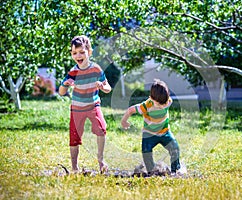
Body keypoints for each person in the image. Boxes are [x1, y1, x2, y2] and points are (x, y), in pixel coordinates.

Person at [58, 35, 111, 173]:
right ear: (71, 54)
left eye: (82, 52)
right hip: (77, 108)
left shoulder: (96, 69)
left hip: (93, 105)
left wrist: (101, 86)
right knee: (74, 137)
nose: (78, 55)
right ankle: (74, 167)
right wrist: (65, 84)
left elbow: (108, 88)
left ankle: (101, 161)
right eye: (75, 53)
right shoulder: (73, 72)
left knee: (101, 128)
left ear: (90, 52)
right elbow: (61, 92)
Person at [121, 79, 181, 175]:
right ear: (151, 99)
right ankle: (151, 171)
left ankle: (176, 170)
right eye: (159, 104)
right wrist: (124, 121)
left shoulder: (168, 101)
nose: (162, 106)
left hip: (164, 132)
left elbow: (164, 101)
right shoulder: (146, 105)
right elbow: (131, 110)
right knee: (146, 151)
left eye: (164, 103)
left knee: (175, 148)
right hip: (149, 134)